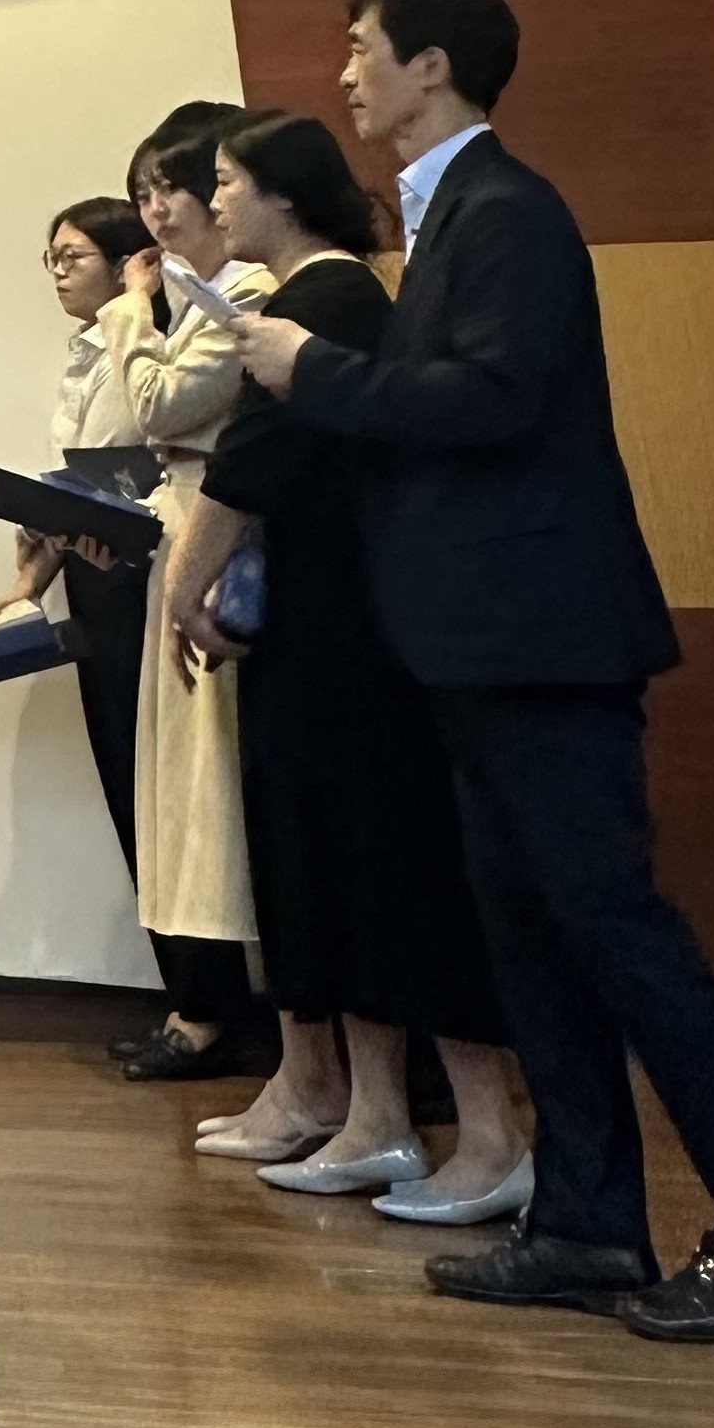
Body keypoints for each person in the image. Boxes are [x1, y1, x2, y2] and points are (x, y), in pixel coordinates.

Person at [234, 0, 714, 1341]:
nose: (345, 75)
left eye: (363, 49)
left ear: (433, 67)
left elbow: (491, 400)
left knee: (617, 933)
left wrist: (310, 370)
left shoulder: (507, 210)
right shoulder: (456, 210)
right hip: (480, 646)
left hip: (542, 643)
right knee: (533, 943)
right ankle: (585, 1223)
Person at [163, 114, 526, 1217]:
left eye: (228, 182)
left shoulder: (327, 298)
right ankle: (365, 1112)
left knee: (383, 869)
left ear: (286, 193)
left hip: (352, 632)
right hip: (320, 624)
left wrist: (184, 584)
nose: (215, 201)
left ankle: (482, 1133)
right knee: (327, 865)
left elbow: (252, 460)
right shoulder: (309, 297)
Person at [0, 194, 251, 1062]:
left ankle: (210, 1008)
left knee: (171, 793)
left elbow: (148, 458)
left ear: (125, 262)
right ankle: (191, 999)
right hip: (97, 572)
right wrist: (31, 570)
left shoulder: (151, 342)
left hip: (150, 574)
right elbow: (85, 472)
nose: (58, 274)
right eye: (51, 258)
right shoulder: (87, 350)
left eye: (73, 257)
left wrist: (66, 505)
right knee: (127, 786)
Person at [90, 103, 272, 1087]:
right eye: (142, 194)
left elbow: (161, 405)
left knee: (221, 780)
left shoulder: (243, 290)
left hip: (226, 543)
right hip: (183, 532)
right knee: (184, 786)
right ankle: (211, 1004)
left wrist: (129, 311)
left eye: (171, 188)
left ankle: (240, 1015)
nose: (155, 212)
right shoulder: (197, 298)